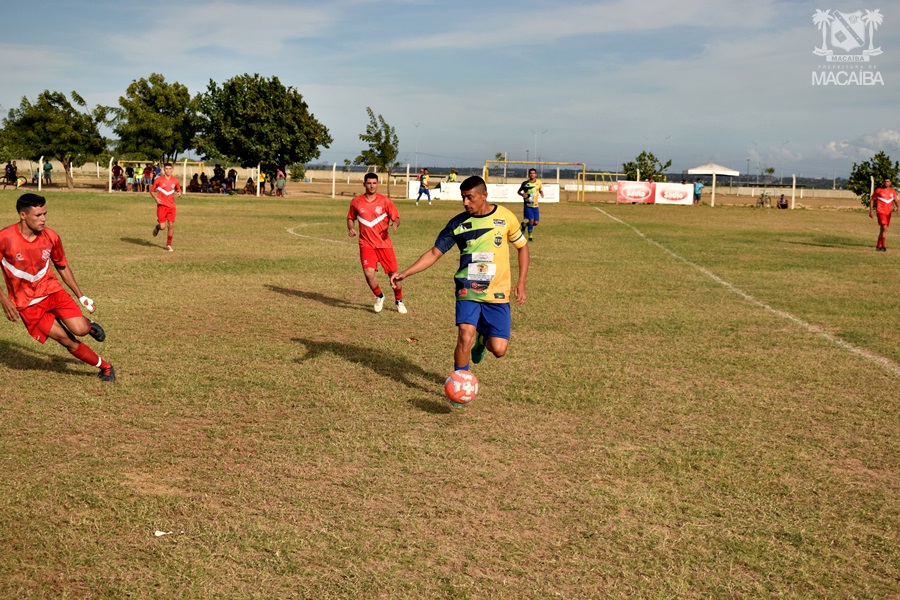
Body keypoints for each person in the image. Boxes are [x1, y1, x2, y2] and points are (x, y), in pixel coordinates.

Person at [390, 176, 529, 375]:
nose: (465, 202)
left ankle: (483, 339)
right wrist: (406, 272)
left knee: (499, 350)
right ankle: (459, 383)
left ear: (484, 196)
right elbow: (434, 253)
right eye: (463, 197)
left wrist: (521, 282)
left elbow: (522, 247)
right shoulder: (457, 223)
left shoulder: (505, 217)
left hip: (497, 292)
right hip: (467, 288)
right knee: (465, 336)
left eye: (470, 197)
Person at [0, 193, 115, 382]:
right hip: (28, 304)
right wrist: (5, 300)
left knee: (80, 329)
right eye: (38, 215)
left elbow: (61, 265)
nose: (43, 219)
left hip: (52, 291)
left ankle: (88, 326)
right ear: (23, 215)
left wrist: (81, 296)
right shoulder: (5, 238)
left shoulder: (51, 237)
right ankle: (106, 367)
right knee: (66, 339)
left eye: (45, 214)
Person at [347, 173, 407, 314]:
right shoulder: (356, 202)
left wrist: (395, 223)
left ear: (378, 184)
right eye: (369, 183)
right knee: (368, 273)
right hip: (366, 244)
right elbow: (350, 218)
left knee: (394, 275)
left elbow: (397, 218)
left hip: (384, 244)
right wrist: (351, 228)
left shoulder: (385, 201)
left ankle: (399, 300)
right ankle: (379, 296)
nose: (372, 186)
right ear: (364, 184)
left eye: (374, 183)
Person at [149, 162, 182, 252]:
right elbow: (151, 190)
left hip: (172, 206)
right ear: (164, 170)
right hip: (162, 206)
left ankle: (168, 244)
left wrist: (179, 193)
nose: (168, 170)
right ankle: (157, 227)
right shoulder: (159, 180)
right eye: (166, 169)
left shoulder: (175, 180)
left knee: (171, 225)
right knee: (162, 227)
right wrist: (156, 198)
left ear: (172, 169)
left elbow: (178, 189)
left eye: (169, 169)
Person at [870, 177, 899, 252]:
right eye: (885, 181)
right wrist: (871, 211)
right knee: (884, 227)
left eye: (888, 181)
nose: (886, 182)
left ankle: (878, 246)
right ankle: (883, 246)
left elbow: (896, 201)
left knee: (882, 229)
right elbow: (872, 200)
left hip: (888, 212)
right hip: (880, 211)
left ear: (890, 183)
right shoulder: (878, 190)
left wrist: (898, 207)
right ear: (883, 182)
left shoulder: (892, 191)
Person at [517, 168, 543, 241]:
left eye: (533, 173)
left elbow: (540, 190)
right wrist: (522, 195)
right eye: (531, 173)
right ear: (529, 174)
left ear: (536, 174)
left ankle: (524, 225)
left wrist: (542, 193)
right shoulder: (525, 183)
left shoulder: (539, 182)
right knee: (531, 221)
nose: (532, 174)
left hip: (535, 205)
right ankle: (530, 236)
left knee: (536, 222)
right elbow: (518, 192)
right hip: (528, 205)